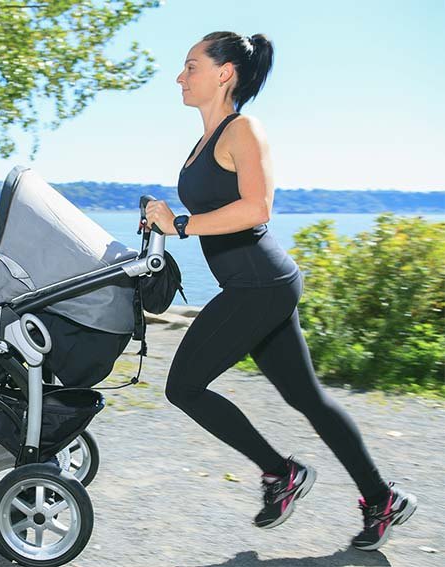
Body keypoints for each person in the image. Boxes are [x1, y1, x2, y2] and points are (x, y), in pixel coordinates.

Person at [142, 31, 416, 551]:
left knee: (183, 387)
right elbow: (212, 209)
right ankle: (383, 498)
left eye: (191, 65)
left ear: (225, 73)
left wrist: (180, 224)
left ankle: (281, 472)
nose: (181, 76)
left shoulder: (243, 129)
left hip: (259, 284)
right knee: (306, 398)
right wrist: (163, 218)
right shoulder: (206, 138)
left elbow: (256, 208)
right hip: (256, 284)